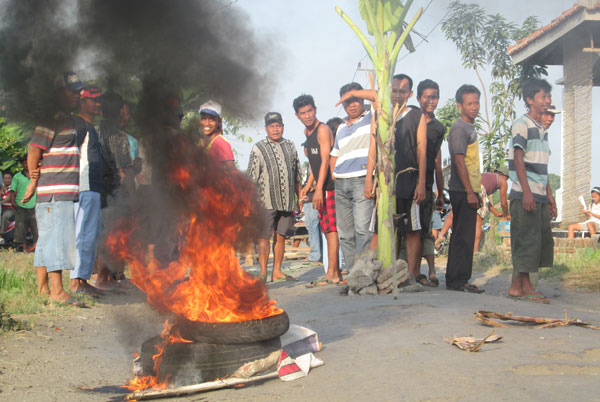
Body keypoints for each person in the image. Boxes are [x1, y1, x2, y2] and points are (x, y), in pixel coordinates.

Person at [21, 72, 84, 306]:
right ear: (58, 93)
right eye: (73, 92)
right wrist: (33, 179)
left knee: (47, 240)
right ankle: (57, 292)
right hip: (55, 191)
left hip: (57, 191)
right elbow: (34, 150)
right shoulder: (50, 119)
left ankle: (42, 289)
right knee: (58, 240)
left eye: (79, 92)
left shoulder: (66, 119)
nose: (78, 96)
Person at [507, 78, 556, 304]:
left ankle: (517, 286)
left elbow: (542, 166)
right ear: (530, 100)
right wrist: (526, 191)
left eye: (548, 96)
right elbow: (518, 157)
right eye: (542, 96)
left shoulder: (542, 129)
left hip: (539, 193)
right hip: (524, 193)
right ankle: (526, 287)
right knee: (526, 240)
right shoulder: (522, 124)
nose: (547, 101)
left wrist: (549, 196)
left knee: (537, 240)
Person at [293, 94, 342, 285]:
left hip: (331, 187)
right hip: (321, 185)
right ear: (297, 115)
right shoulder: (307, 134)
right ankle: (332, 271)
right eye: (303, 113)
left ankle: (333, 273)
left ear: (315, 110)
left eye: (310, 111)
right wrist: (307, 187)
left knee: (332, 230)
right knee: (326, 229)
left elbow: (325, 162)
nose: (307, 116)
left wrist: (319, 189)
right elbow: (314, 166)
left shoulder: (322, 130)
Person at [247, 112, 301, 282]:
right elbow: (251, 177)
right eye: (272, 126)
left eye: (278, 125)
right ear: (266, 128)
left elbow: (297, 174)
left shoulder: (290, 146)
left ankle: (277, 271)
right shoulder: (258, 147)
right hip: (265, 200)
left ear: (282, 127)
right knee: (264, 236)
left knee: (281, 235)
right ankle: (263, 273)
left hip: (287, 200)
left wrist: (299, 198)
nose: (275, 129)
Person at [330, 82, 376, 272]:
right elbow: (335, 153)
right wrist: (334, 175)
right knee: (345, 234)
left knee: (363, 231)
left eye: (355, 100)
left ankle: (363, 274)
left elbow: (379, 96)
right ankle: (352, 274)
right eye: (347, 101)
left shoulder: (372, 117)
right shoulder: (341, 127)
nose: (352, 104)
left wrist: (368, 179)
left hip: (361, 180)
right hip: (341, 183)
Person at [445, 84, 484, 293]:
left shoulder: (470, 127)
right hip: (462, 189)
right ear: (460, 105)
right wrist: (469, 191)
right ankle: (457, 280)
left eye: (476, 102)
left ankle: (459, 278)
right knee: (463, 235)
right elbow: (459, 161)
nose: (474, 107)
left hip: (470, 188)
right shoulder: (459, 128)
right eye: (469, 103)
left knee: (466, 234)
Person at [70, 86, 104, 294]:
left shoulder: (90, 125)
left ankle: (82, 279)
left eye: (99, 100)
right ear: (82, 102)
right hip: (83, 185)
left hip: (94, 186)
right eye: (94, 100)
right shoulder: (79, 124)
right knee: (81, 234)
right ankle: (75, 282)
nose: (97, 104)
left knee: (90, 234)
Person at [414, 79, 446, 287]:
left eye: (434, 96)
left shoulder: (438, 128)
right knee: (409, 230)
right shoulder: (409, 119)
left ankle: (432, 271)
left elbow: (437, 162)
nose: (430, 101)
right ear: (418, 99)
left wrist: (440, 193)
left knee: (425, 229)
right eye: (426, 96)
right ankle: (413, 272)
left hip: (426, 186)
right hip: (407, 182)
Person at [473, 166, 510, 252]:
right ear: (505, 176)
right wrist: (506, 214)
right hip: (479, 189)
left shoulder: (488, 177)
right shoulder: (503, 181)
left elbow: (485, 200)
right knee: (478, 223)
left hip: (468, 186)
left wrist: (497, 213)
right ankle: (474, 253)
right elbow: (503, 203)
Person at [10, 156, 38, 251]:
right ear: (22, 164)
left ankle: (36, 247)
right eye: (24, 163)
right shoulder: (17, 176)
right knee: (20, 229)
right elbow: (12, 191)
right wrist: (14, 203)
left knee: (36, 228)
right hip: (20, 206)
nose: (26, 164)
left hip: (35, 205)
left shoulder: (36, 175)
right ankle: (23, 248)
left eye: (28, 162)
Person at [199, 100, 235, 169]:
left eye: (212, 119)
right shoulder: (201, 142)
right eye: (203, 119)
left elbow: (233, 173)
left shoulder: (221, 143)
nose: (207, 123)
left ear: (219, 121)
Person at [0, 171, 15, 245]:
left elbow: (9, 198)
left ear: (12, 179)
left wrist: (1, 202)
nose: (7, 180)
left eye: (9, 178)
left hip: (11, 209)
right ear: (2, 179)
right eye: (5, 178)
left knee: (5, 216)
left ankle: (1, 235)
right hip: (1, 208)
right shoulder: (1, 188)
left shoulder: (13, 187)